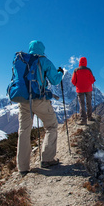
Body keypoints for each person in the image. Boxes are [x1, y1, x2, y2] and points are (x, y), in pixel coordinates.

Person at [17, 40, 64, 177]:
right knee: (51, 126)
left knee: (23, 131)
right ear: (42, 49)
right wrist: (60, 72)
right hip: (39, 100)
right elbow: (55, 80)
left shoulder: (21, 60)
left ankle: (23, 167)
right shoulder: (44, 61)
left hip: (23, 101)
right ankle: (47, 159)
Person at [71, 57, 96, 125]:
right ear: (86, 62)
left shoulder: (76, 70)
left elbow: (73, 81)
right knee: (89, 103)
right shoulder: (88, 70)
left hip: (79, 89)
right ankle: (90, 117)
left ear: (79, 62)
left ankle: (83, 120)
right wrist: (93, 80)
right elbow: (92, 80)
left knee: (82, 104)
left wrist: (77, 84)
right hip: (88, 89)